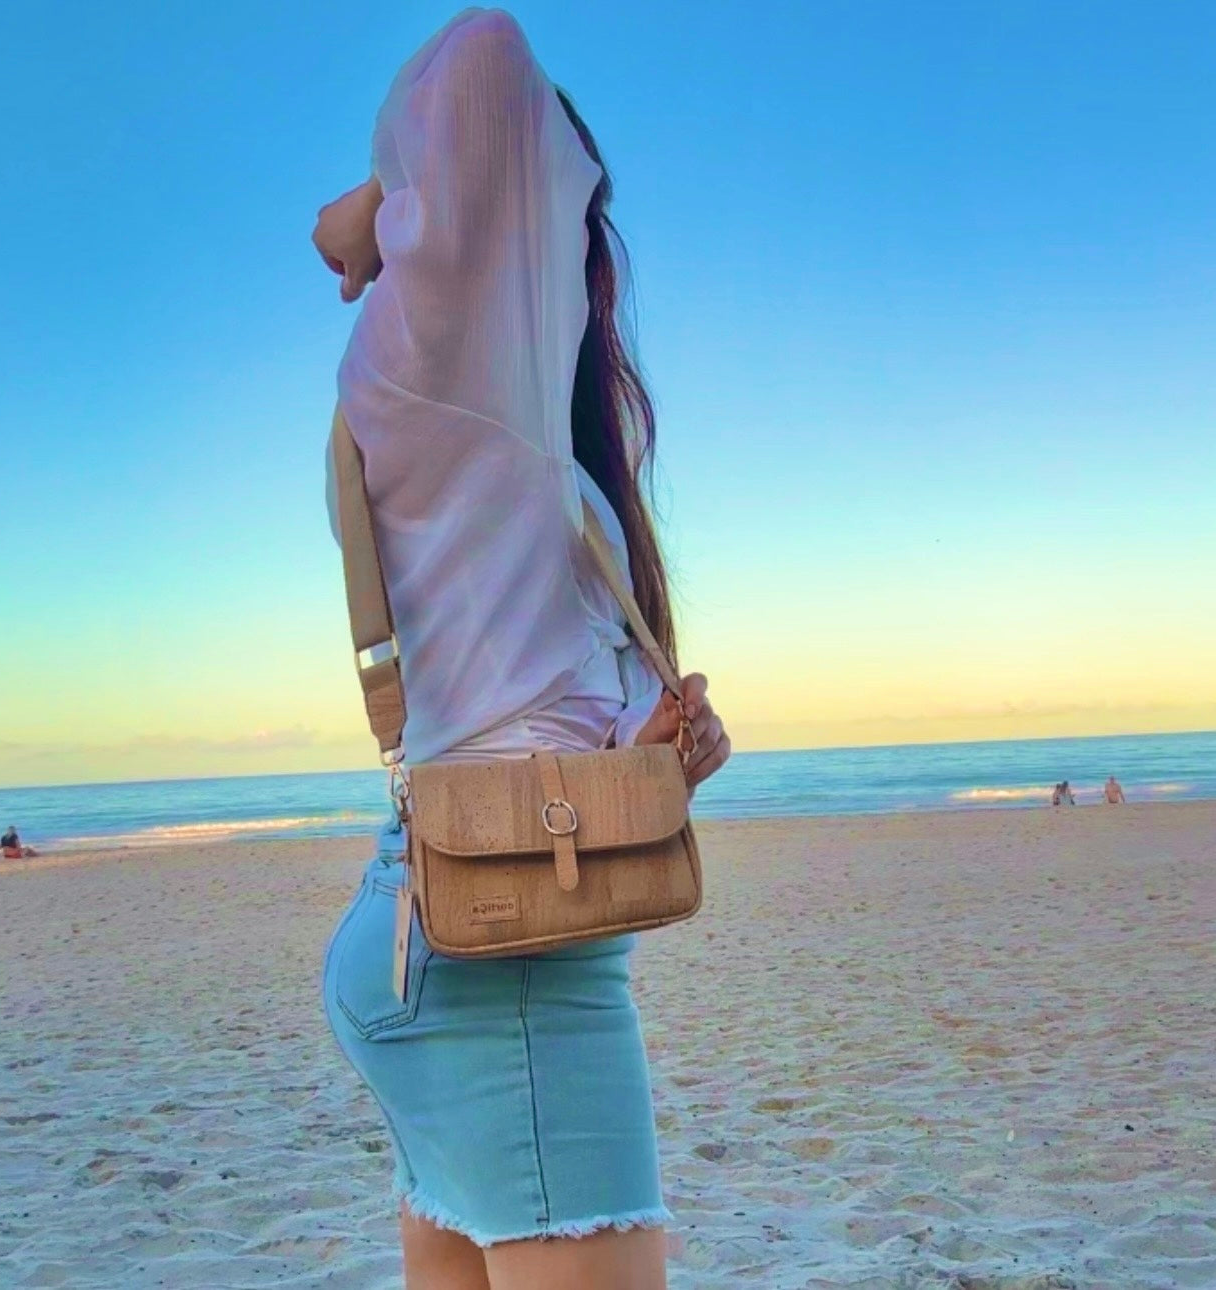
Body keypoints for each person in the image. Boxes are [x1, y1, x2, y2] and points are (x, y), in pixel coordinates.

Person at [313, 12, 731, 1289]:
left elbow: (526, 711)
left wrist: (647, 751)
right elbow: (488, 55)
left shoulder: (513, 455)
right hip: (513, 973)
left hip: (439, 925)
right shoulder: (435, 389)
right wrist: (367, 210)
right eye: (558, 202)